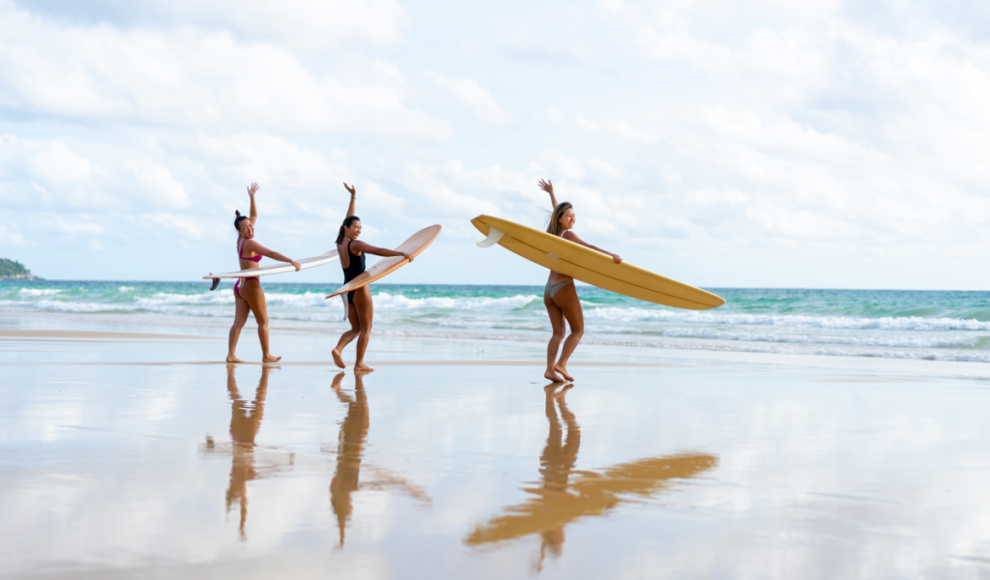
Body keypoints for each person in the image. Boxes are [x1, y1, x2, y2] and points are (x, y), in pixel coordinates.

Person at [538, 179, 622, 383]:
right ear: (561, 219)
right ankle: (561, 364)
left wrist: (551, 193)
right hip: (563, 287)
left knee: (558, 332)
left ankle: (550, 369)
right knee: (578, 330)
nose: (573, 219)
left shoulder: (554, 234)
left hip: (549, 290)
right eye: (569, 216)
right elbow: (589, 247)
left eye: (574, 216)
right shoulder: (567, 234)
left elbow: (557, 212)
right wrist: (611, 255)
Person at [331, 183, 413, 373]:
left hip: (347, 290)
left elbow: (346, 220)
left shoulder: (340, 243)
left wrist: (353, 197)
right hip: (360, 287)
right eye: (356, 227)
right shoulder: (355, 245)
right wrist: (401, 253)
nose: (359, 230)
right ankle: (359, 364)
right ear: (347, 228)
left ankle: (338, 348)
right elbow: (378, 250)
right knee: (366, 329)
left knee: (355, 329)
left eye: (360, 227)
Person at [226, 183, 301, 363]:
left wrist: (252, 196)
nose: (250, 229)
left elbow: (253, 216)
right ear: (238, 230)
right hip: (251, 284)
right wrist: (291, 261)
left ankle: (231, 355)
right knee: (263, 322)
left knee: (239, 322)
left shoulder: (241, 240)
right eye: (246, 228)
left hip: (240, 285)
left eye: (251, 226)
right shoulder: (250, 243)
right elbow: (271, 253)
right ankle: (266, 355)